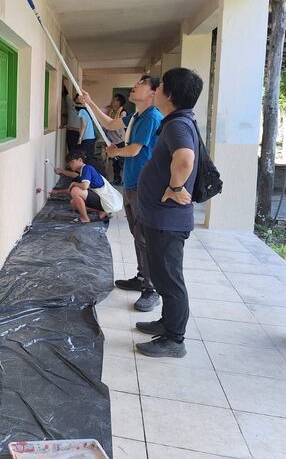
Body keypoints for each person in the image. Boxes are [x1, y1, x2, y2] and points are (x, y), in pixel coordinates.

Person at [134, 67, 203, 358]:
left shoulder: (177, 125)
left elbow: (185, 159)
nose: (156, 89)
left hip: (167, 220)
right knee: (163, 277)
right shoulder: (177, 121)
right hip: (160, 219)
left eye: (160, 86)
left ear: (169, 94)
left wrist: (175, 188)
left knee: (170, 280)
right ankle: (167, 323)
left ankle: (175, 339)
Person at [82, 76, 163, 312]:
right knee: (137, 234)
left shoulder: (152, 116)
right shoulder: (136, 116)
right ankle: (141, 277)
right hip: (131, 183)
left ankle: (151, 289)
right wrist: (89, 103)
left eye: (141, 84)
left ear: (152, 92)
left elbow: (135, 149)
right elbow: (109, 124)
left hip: (144, 185)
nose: (135, 86)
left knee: (145, 237)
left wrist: (114, 150)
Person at [53, 150, 109, 223]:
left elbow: (84, 187)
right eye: (69, 163)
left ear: (80, 160)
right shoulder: (83, 171)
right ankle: (102, 210)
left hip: (105, 200)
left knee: (75, 190)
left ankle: (85, 218)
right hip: (102, 200)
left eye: (72, 162)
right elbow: (76, 177)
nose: (70, 165)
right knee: (74, 203)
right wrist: (58, 192)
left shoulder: (87, 168)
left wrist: (73, 184)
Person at [106, 94, 128, 185]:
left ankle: (126, 180)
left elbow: (117, 125)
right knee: (115, 162)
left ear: (119, 102)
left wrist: (110, 126)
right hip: (113, 141)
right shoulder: (111, 111)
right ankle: (117, 179)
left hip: (121, 141)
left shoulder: (123, 112)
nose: (112, 101)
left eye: (114, 100)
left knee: (122, 162)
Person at [75, 96, 97, 165]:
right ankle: (91, 172)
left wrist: (80, 138)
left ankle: (87, 172)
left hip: (87, 137)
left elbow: (83, 125)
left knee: (85, 156)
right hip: (91, 137)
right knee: (90, 156)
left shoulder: (81, 111)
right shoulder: (86, 111)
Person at [61, 86, 80, 152]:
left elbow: (67, 95)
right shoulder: (84, 110)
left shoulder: (71, 105)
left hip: (71, 132)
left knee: (71, 149)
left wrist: (64, 85)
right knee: (75, 150)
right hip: (78, 133)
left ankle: (72, 161)